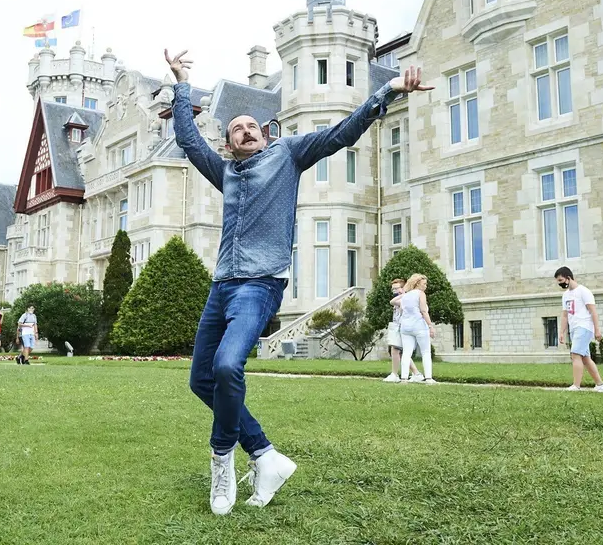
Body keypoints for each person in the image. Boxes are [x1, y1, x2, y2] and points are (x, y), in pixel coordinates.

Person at [166, 47, 432, 515]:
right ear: (228, 144)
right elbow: (189, 142)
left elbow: (337, 134)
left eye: (252, 126)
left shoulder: (286, 155)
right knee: (201, 380)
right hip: (221, 286)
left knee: (228, 367)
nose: (245, 132)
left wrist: (387, 91)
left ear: (266, 135)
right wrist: (182, 80)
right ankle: (265, 455)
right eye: (235, 130)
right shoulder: (224, 172)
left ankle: (222, 459)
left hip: (260, 284)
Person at [555, 267, 603, 392]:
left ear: (568, 278)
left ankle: (576, 385)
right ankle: (601, 385)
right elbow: (565, 315)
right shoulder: (565, 295)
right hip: (574, 328)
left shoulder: (584, 291)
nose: (560, 283)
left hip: (584, 327)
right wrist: (561, 332)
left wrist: (597, 330)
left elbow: (593, 311)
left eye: (561, 280)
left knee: (575, 355)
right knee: (585, 358)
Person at [394, 274, 436, 385]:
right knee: (426, 352)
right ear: (417, 283)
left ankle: (403, 379)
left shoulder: (405, 296)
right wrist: (430, 326)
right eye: (424, 284)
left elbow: (402, 310)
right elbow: (423, 311)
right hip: (419, 325)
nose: (426, 286)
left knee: (407, 353)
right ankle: (428, 378)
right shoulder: (420, 294)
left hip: (406, 326)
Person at [383, 278, 422, 383]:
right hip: (397, 325)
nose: (395, 291)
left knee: (395, 350)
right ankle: (416, 373)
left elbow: (392, 302)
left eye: (397, 288)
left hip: (401, 326)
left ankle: (395, 374)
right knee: (400, 351)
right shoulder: (403, 298)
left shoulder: (405, 299)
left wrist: (404, 294)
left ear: (403, 287)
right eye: (393, 289)